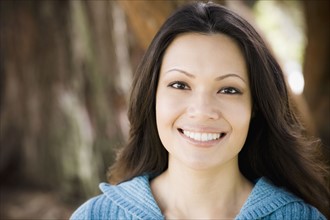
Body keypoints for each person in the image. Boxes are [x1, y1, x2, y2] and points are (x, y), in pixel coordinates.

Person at [71, 2, 329, 219]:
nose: (203, 110)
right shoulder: (95, 216)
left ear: (256, 107)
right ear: (152, 98)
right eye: (180, 85)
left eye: (229, 89)